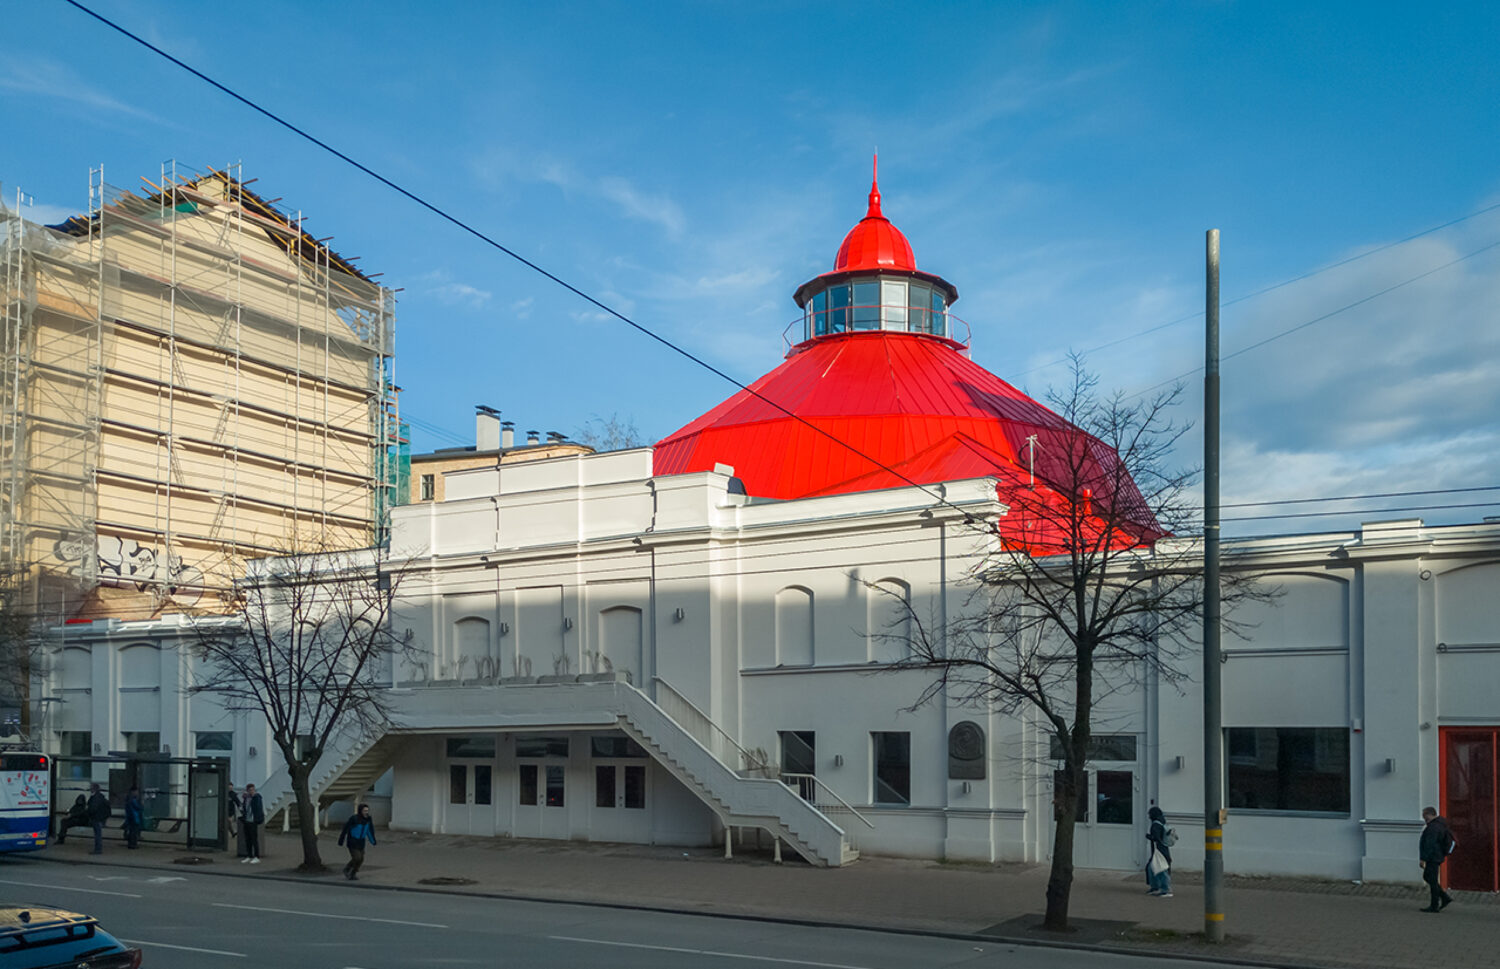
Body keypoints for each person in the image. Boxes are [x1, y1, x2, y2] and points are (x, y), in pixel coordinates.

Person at [1418, 805, 1455, 912]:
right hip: (1437, 855)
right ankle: (1443, 898)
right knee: (1429, 878)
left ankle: (1436, 904)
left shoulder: (1433, 827)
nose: (1425, 819)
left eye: (1425, 817)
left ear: (1430, 814)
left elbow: (1430, 844)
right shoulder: (1440, 824)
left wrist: (1423, 858)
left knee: (1431, 879)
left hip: (1433, 856)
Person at [337, 803, 377, 880]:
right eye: (364, 811)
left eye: (367, 810)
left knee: (361, 859)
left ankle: (352, 872)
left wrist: (373, 841)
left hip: (361, 842)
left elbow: (369, 831)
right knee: (357, 857)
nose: (366, 812)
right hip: (352, 841)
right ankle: (348, 869)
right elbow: (345, 829)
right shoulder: (354, 819)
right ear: (360, 811)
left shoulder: (368, 820)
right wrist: (341, 840)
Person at [1146, 805, 1173, 897]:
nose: (1149, 816)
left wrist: (1149, 836)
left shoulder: (1155, 825)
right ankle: (1157, 887)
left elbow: (1156, 838)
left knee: (1159, 868)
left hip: (1158, 850)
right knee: (1155, 867)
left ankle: (1164, 889)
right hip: (1163, 848)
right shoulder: (1162, 822)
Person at [240, 783, 264, 864]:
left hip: (253, 821)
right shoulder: (246, 798)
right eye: (250, 790)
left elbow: (258, 807)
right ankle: (249, 855)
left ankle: (257, 856)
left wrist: (257, 819)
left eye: (253, 790)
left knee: (254, 839)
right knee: (248, 839)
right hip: (247, 820)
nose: (251, 792)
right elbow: (244, 808)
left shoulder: (257, 797)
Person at [86, 783, 111, 855]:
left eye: (91, 788)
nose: (90, 789)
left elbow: (93, 808)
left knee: (97, 835)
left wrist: (88, 812)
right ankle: (98, 849)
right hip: (100, 818)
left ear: (94, 789)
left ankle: (98, 849)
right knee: (98, 834)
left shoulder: (95, 797)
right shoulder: (100, 797)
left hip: (96, 818)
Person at [227, 782, 245, 857]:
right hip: (224, 810)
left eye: (231, 787)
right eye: (229, 787)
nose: (230, 788)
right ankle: (232, 833)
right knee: (227, 823)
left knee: (228, 822)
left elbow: (237, 802)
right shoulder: (224, 792)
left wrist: (241, 809)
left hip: (230, 811)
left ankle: (232, 833)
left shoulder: (233, 794)